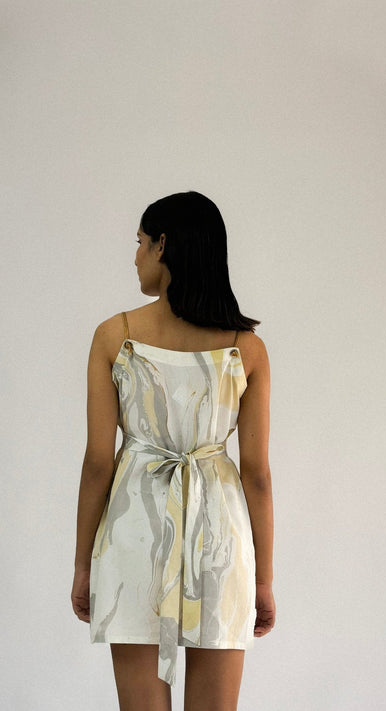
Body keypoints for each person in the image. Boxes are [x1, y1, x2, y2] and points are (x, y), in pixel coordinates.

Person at [71, 191, 275, 711]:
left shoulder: (114, 336)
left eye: (140, 242)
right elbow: (256, 475)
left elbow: (98, 464)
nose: (135, 255)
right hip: (220, 540)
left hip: (134, 532)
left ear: (163, 245)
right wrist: (264, 580)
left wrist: (83, 565)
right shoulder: (246, 348)